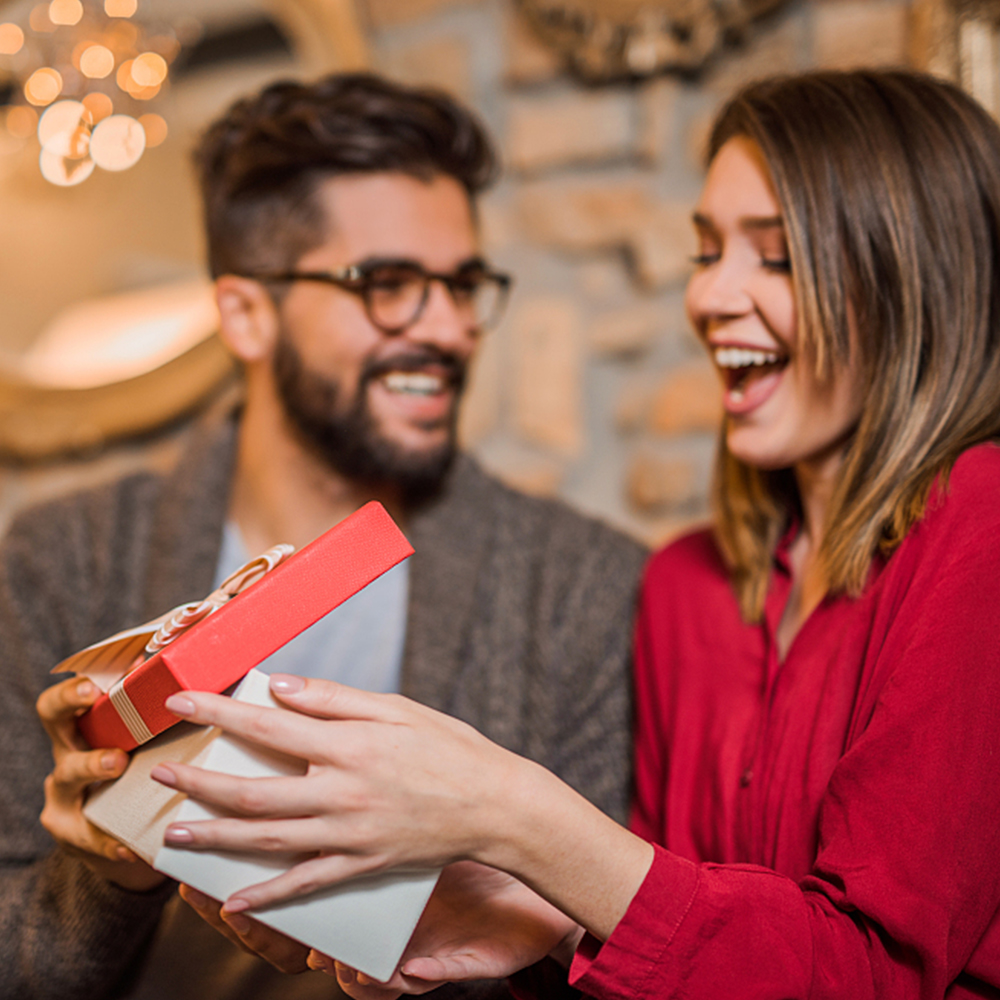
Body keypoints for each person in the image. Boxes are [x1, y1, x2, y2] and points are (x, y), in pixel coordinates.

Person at [146, 68, 1000, 999]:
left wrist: (514, 814)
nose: (712, 297)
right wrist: (547, 922)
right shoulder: (685, 589)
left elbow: (876, 974)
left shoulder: (981, 524)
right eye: (707, 251)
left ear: (912, 279)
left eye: (778, 256)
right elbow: (685, 943)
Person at [0, 74, 647, 1000]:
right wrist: (102, 877)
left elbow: (610, 956)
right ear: (247, 313)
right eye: (386, 284)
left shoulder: (582, 582)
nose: (449, 329)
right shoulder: (66, 557)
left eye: (464, 284)